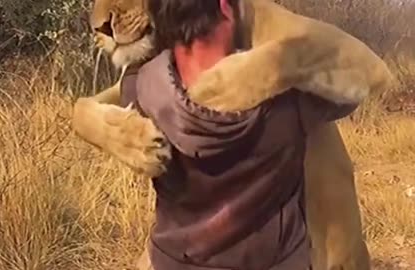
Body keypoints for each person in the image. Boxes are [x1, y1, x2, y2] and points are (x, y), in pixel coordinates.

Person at [117, 0, 359, 269]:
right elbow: (354, 76)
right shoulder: (290, 97)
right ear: (225, 8)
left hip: (176, 261)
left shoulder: (139, 91)